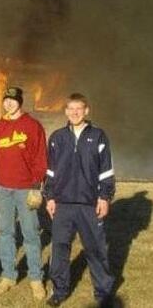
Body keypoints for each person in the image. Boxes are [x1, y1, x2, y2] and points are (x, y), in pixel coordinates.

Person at [44, 93, 115, 307]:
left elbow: (106, 171)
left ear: (86, 111)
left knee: (95, 248)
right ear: (65, 111)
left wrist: (104, 197)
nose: (74, 112)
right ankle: (60, 290)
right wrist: (49, 197)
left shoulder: (98, 135)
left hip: (89, 203)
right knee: (60, 248)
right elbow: (50, 172)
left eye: (79, 108)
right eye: (71, 108)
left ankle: (103, 292)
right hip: (63, 203)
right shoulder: (57, 137)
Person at [0, 87, 48, 300]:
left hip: (25, 188)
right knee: (6, 233)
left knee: (31, 234)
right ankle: (8, 275)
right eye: (6, 100)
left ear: (20, 102)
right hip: (2, 189)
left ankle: (36, 278)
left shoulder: (33, 126)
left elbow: (40, 157)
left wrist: (36, 185)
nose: (9, 104)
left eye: (13, 100)